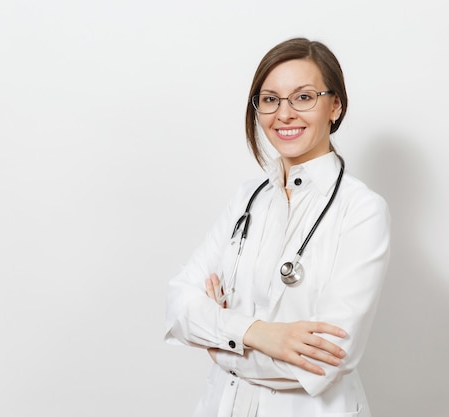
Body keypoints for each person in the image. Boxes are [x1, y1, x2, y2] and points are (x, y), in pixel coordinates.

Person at [164, 37, 390, 417]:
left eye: (303, 97)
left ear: (335, 105)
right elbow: (178, 305)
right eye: (270, 99)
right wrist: (260, 334)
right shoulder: (248, 198)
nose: (283, 114)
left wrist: (220, 340)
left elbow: (326, 361)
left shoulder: (362, 211)